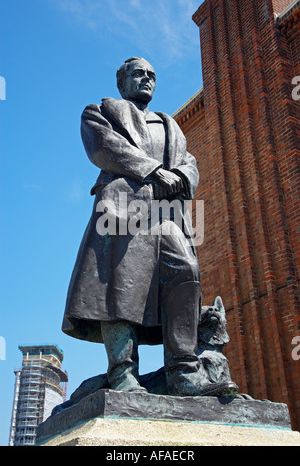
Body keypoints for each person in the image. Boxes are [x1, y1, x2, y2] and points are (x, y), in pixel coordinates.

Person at [62, 57, 234, 396]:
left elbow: (188, 162)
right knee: (122, 284)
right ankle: (123, 373)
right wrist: (154, 170)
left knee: (186, 271)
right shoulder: (100, 110)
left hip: (167, 212)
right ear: (122, 81)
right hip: (123, 205)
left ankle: (183, 372)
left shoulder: (168, 123)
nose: (147, 79)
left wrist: (182, 177)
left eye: (152, 75)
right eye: (139, 73)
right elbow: (104, 147)